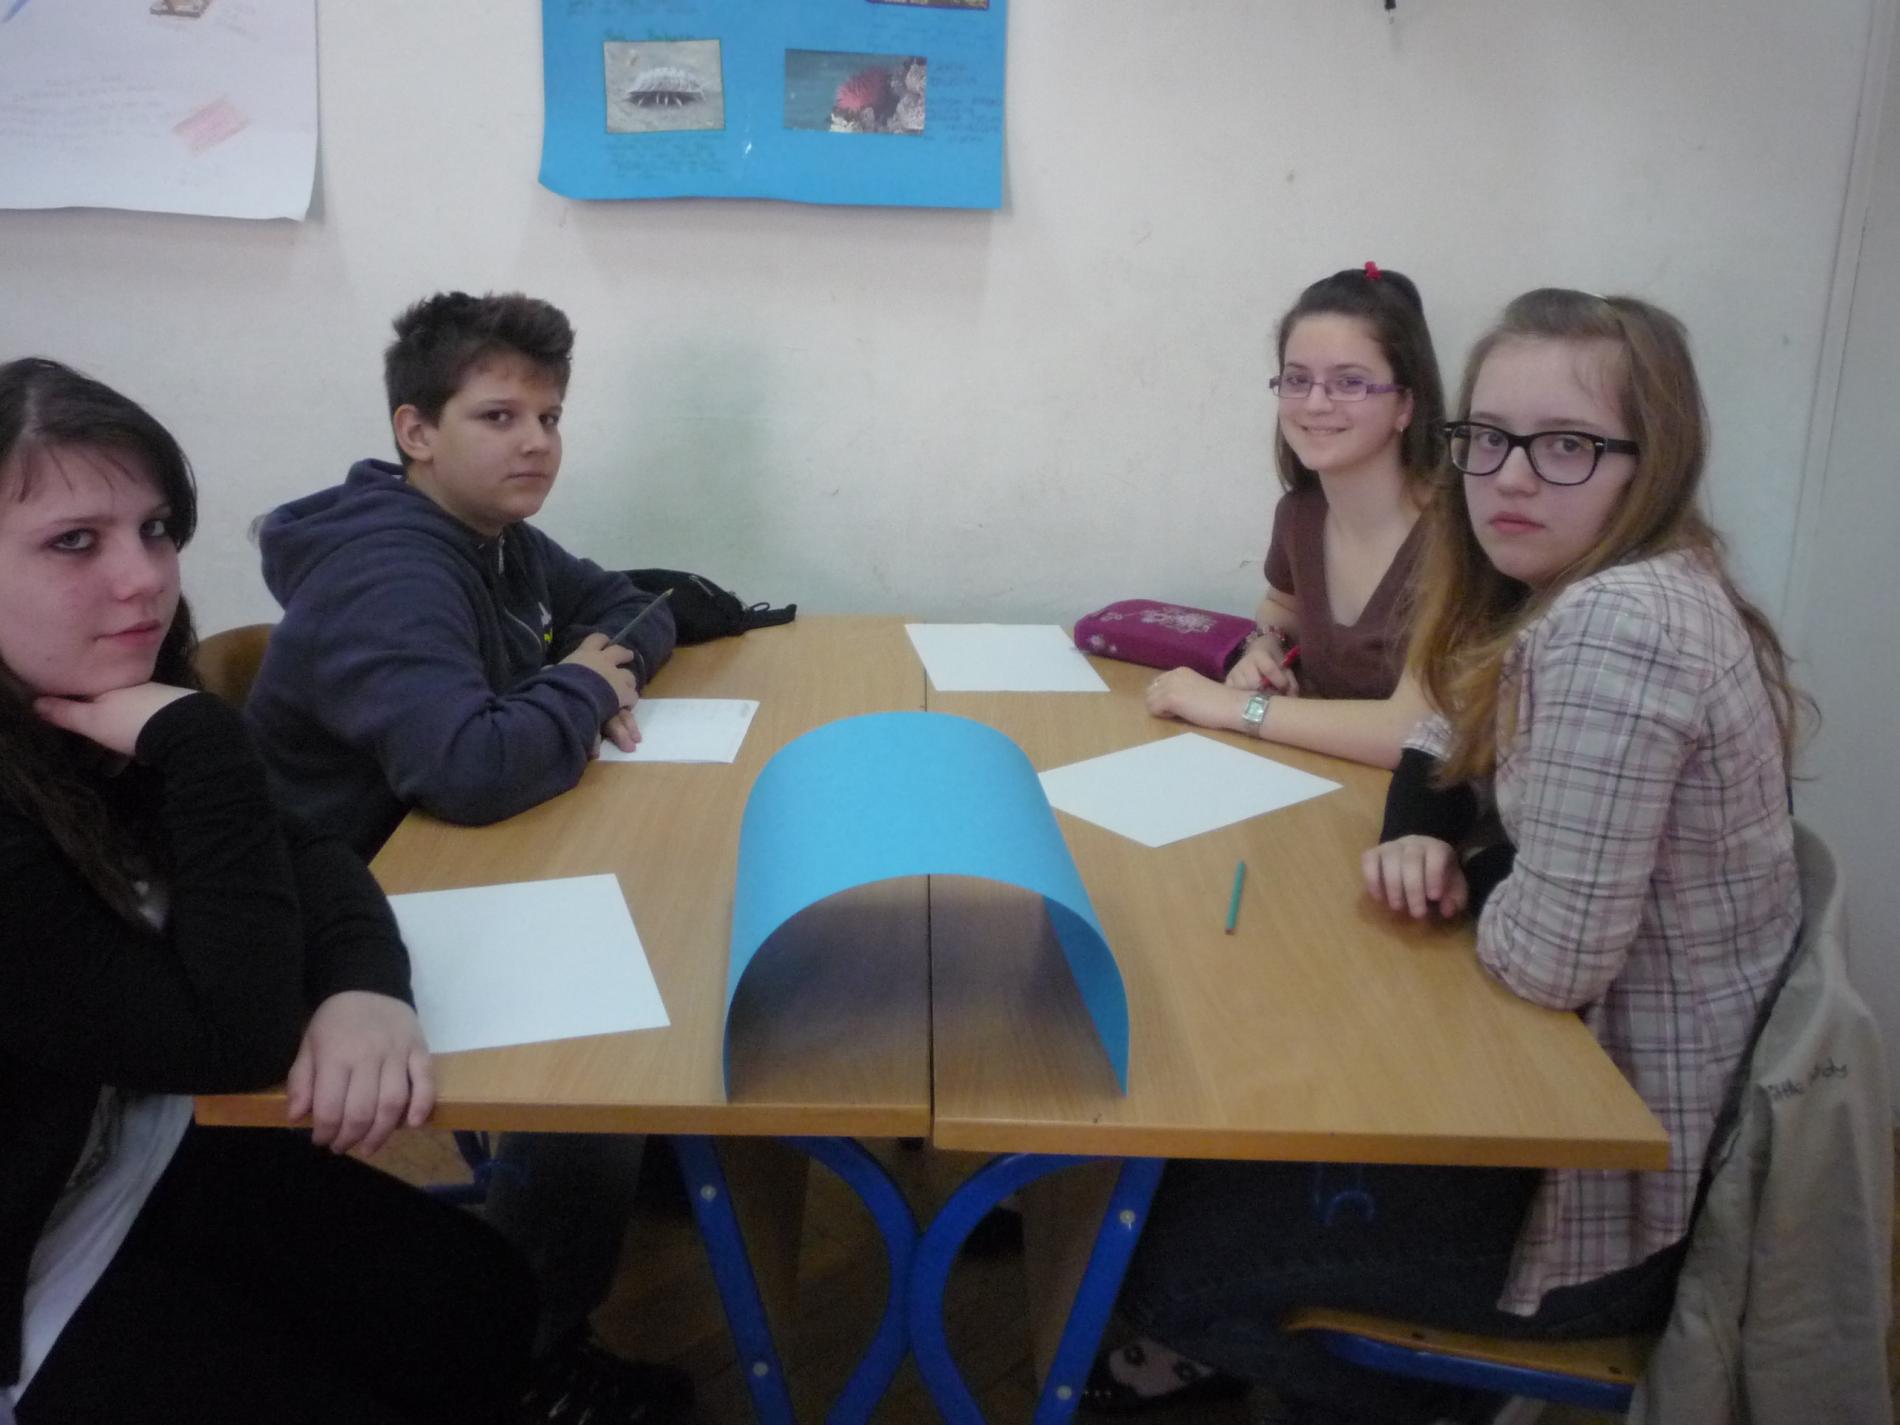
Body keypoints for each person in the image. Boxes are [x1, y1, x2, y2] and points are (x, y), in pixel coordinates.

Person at [1089, 290, 1804, 1423]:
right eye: (1490, 438)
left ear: (1652, 458)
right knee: (1212, 1134)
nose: (1509, 478)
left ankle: (1403, 1396)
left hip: (1596, 1198)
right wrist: (1419, 828)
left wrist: (1472, 875)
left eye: (1566, 445)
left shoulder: (1617, 628)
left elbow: (1547, 962)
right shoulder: (1584, 583)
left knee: (1152, 1247)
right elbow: (1438, 729)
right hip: (1583, 1107)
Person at [0, 357, 536, 1424]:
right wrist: (202, 743)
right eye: (74, 542)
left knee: (481, 1296)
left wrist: (366, 985)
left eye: (156, 529)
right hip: (30, 1262)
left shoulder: (89, 707)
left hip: (132, 1151)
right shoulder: (147, 732)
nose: (145, 579)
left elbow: (309, 854)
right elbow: (234, 1039)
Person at [244, 291, 691, 1423]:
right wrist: (581, 685)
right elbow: (471, 766)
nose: (536, 442)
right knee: (594, 1042)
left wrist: (587, 668)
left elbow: (639, 604)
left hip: (441, 865)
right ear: (417, 431)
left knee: (659, 930)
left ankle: (642, 1165)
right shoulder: (389, 569)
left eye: (550, 417)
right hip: (342, 921)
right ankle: (530, 1356)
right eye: (499, 416)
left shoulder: (495, 538)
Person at [1143, 263, 1444, 769]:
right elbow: (1281, 607)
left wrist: (1235, 707)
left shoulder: (1461, 536)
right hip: (1314, 776)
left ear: (1405, 405)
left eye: (1350, 382)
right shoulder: (1300, 514)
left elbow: (1414, 734)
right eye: (1297, 379)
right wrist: (1266, 648)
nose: (1316, 403)